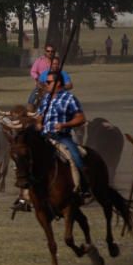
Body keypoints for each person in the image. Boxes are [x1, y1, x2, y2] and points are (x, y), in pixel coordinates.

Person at [38, 70, 90, 202]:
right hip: (44, 136)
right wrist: (38, 123)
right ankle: (24, 195)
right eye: (46, 82)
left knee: (76, 157)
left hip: (61, 136)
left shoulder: (69, 98)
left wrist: (64, 125)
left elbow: (81, 118)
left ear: (58, 83)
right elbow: (39, 116)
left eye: (49, 82)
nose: (46, 84)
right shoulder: (45, 98)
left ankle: (84, 187)